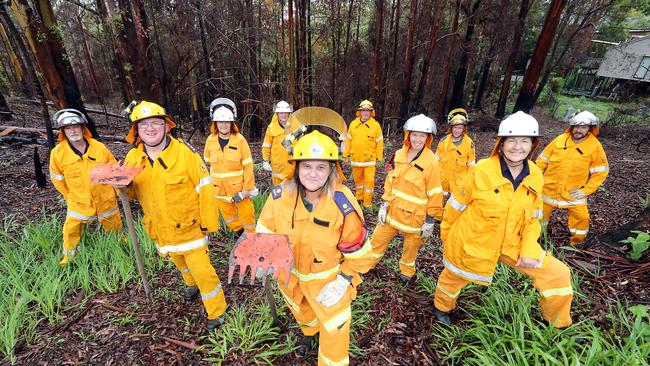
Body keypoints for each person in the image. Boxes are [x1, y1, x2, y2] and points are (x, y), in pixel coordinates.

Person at [433, 111, 573, 328]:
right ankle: (442, 307)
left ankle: (558, 323)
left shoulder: (535, 174)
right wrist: (447, 237)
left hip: (513, 241)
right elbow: (454, 207)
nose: (518, 147)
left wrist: (528, 248)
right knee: (454, 275)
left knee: (558, 273)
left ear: (533, 145)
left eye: (524, 141)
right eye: (512, 141)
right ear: (501, 143)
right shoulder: (481, 170)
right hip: (474, 238)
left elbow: (533, 217)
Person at [256, 129, 375, 366]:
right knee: (303, 314)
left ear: (332, 169)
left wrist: (343, 280)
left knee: (335, 332)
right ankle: (310, 333)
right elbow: (265, 231)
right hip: (290, 279)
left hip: (329, 283)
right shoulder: (279, 197)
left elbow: (361, 254)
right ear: (296, 167)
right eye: (307, 166)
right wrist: (264, 257)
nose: (312, 174)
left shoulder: (343, 204)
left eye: (321, 167)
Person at [123, 101, 227, 330]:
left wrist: (208, 225)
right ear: (136, 131)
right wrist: (122, 186)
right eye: (144, 125)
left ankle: (217, 310)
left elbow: (206, 188)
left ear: (166, 126)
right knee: (178, 260)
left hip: (190, 228)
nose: (150, 129)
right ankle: (191, 284)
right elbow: (130, 193)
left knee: (203, 271)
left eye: (156, 123)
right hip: (160, 228)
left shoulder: (185, 154)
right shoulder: (133, 158)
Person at [369, 114, 443, 283]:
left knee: (411, 249)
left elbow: (435, 192)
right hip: (392, 212)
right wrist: (384, 203)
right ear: (408, 135)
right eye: (414, 135)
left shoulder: (431, 162)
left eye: (422, 135)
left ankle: (407, 272)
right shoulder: (398, 154)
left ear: (428, 138)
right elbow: (390, 180)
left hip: (415, 218)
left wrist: (430, 220)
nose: (417, 139)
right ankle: (367, 264)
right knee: (376, 241)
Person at [49, 109, 122, 267]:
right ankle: (68, 258)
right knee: (72, 230)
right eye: (68, 128)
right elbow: (57, 179)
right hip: (78, 201)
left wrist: (118, 192)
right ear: (63, 132)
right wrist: (70, 197)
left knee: (115, 226)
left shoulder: (99, 148)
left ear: (83, 128)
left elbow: (114, 169)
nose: (73, 130)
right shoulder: (57, 153)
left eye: (76, 126)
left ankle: (121, 249)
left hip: (105, 199)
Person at [536, 111, 609, 246]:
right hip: (548, 189)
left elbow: (601, 172)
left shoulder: (595, 146)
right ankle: (534, 240)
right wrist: (535, 180)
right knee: (538, 216)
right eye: (576, 126)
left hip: (574, 192)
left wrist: (585, 191)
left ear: (590, 129)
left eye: (583, 127)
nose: (578, 130)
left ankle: (577, 244)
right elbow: (541, 161)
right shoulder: (560, 140)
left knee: (582, 218)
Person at [203, 98, 258, 234]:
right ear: (215, 123)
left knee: (248, 217)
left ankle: (253, 239)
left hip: (239, 190)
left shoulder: (240, 140)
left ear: (231, 123)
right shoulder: (210, 141)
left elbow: (248, 166)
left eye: (227, 122)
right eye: (220, 122)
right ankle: (240, 236)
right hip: (220, 191)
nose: (224, 125)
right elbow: (208, 162)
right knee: (230, 219)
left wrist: (247, 190)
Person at [342, 99, 384, 208]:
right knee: (358, 181)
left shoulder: (375, 126)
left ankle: (367, 203)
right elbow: (348, 140)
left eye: (368, 111)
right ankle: (359, 198)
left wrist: (379, 159)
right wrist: (346, 155)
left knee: (369, 182)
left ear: (371, 112)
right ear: (360, 112)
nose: (365, 113)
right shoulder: (353, 124)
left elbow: (380, 143)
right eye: (363, 110)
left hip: (370, 161)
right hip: (356, 159)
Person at [435, 108, 476, 197]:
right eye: (455, 127)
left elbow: (471, 166)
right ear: (451, 128)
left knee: (455, 207)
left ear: (464, 129)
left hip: (459, 182)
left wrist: (468, 183)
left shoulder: (469, 144)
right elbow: (435, 161)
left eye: (460, 128)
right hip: (442, 181)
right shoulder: (443, 141)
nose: (457, 130)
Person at [262, 100, 293, 185]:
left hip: (293, 165)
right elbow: (266, 145)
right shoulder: (271, 128)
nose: (283, 115)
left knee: (292, 192)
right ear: (277, 114)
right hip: (277, 166)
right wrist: (265, 160)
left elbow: (302, 144)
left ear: (289, 114)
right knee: (278, 193)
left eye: (285, 113)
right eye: (281, 113)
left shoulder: (296, 126)